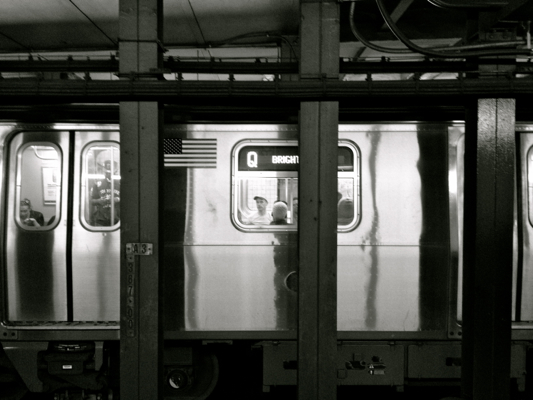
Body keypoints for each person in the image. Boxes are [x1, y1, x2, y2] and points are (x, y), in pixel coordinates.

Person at [90, 160, 120, 226]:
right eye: (106, 172)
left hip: (117, 219)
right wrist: (99, 201)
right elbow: (92, 201)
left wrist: (116, 199)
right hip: (101, 219)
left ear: (115, 171)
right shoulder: (98, 184)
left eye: (110, 172)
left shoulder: (120, 184)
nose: (108, 174)